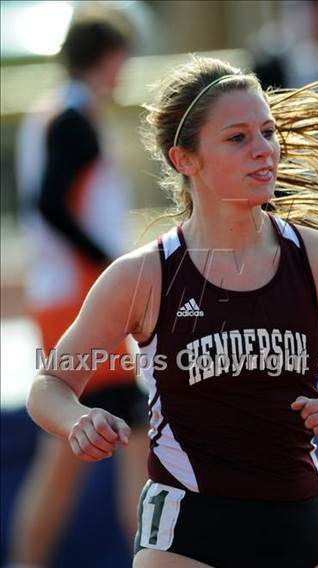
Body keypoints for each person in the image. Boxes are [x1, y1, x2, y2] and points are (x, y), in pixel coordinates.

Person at [25, 55, 318, 568]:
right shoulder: (144, 275)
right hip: (186, 529)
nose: (264, 151)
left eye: (267, 132)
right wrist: (78, 420)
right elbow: (50, 384)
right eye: (237, 138)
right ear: (186, 159)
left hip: (297, 523)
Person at [8, 18, 149, 568]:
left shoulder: (56, 113)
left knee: (115, 441)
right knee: (85, 448)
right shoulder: (71, 119)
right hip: (83, 302)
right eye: (122, 57)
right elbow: (51, 205)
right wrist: (113, 269)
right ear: (107, 57)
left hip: (68, 299)